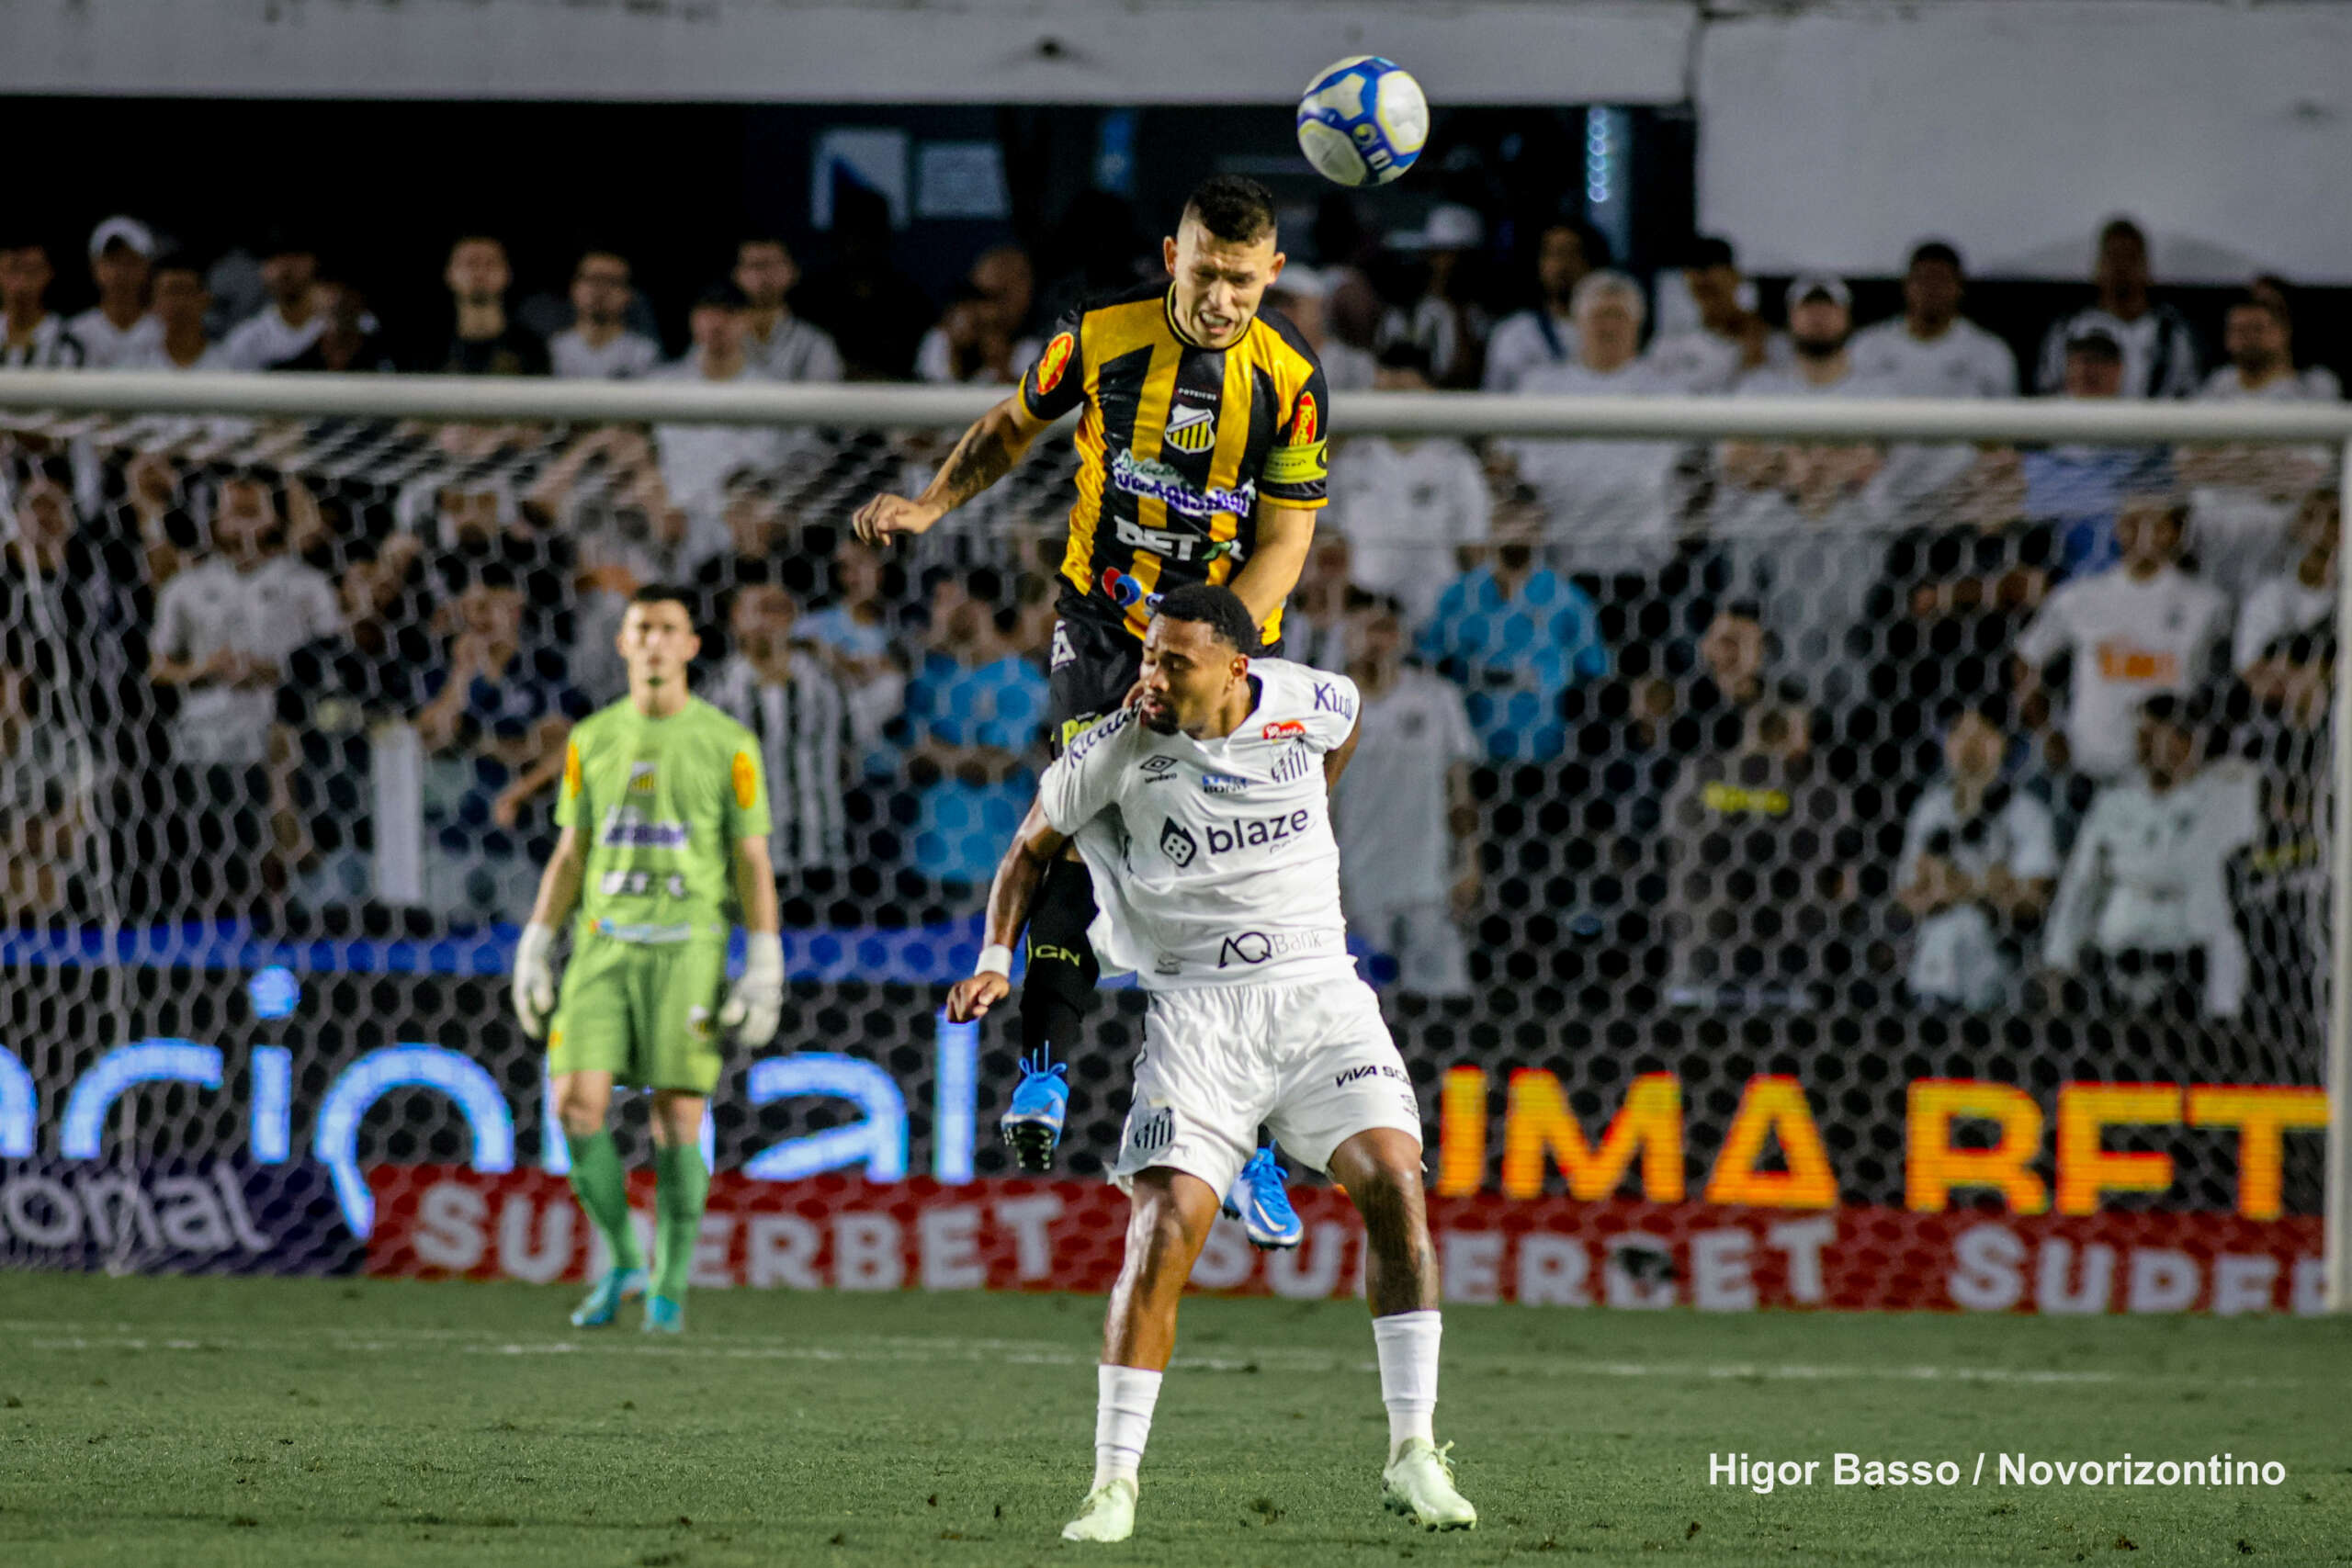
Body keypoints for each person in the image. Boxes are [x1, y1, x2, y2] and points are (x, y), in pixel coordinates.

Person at [944, 584, 1478, 1542]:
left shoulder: (1310, 700)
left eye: (1172, 662)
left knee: (1396, 1182)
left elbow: (1342, 728)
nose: (1150, 676)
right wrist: (992, 960)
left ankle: (1413, 1455)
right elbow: (1029, 853)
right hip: (1197, 1017)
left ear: (1237, 670)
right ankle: (1112, 1487)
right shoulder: (1114, 746)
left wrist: (1305, 811)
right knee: (1162, 1229)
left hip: (1321, 997)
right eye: (1147, 656)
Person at [851, 175, 1329, 1207]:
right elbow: (1011, 425)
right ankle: (1043, 1073)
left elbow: (1288, 540)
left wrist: (1217, 653)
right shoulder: (1101, 339)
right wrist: (933, 506)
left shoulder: (1290, 379)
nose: (1222, 300)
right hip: (1104, 629)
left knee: (1218, 881)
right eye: (1206, 274)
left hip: (1230, 655)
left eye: (1243, 282)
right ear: (1173, 256)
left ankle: (1244, 1141)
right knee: (1083, 818)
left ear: (1272, 273)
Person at [508, 585, 785, 1335]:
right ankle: (623, 1256)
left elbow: (750, 857)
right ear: (624, 643)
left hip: (688, 948)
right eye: (642, 629)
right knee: (574, 1104)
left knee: (677, 1118)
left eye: (669, 629)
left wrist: (764, 959)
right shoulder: (590, 738)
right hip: (601, 945)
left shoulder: (728, 741)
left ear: (692, 645)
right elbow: (572, 851)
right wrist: (537, 942)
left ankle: (669, 1286)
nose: (655, 641)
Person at [2041, 694, 2257, 1019]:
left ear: (2186, 741)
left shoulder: (2225, 796)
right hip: (2117, 951)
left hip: (2189, 957)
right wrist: (2058, 958)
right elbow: (2081, 883)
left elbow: (2213, 876)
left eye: (2151, 736)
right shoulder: (2114, 802)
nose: (2140, 747)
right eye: (2138, 736)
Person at [2013, 494, 2229, 784]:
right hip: (2090, 768)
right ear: (2117, 528)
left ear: (2176, 532)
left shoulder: (2207, 605)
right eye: (2132, 523)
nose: (2142, 534)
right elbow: (2025, 659)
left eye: (2155, 524)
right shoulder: (2080, 597)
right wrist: (2047, 733)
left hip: (2171, 774)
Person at [1334, 592, 1480, 996]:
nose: (1376, 641)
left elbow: (1460, 790)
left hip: (1428, 880)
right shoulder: (1330, 708)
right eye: (1366, 629)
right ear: (1347, 636)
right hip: (1356, 885)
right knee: (1365, 1005)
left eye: (1386, 629)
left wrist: (1469, 859)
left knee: (1443, 999)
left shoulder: (1437, 699)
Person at [1503, 269, 1688, 579]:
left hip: (1644, 568)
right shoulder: (1539, 388)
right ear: (1577, 322)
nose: (1608, 326)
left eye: (1618, 315)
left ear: (1637, 323)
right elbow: (1506, 462)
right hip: (1556, 566)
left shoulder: (1669, 393)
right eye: (1599, 315)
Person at [1894, 696, 2057, 1010]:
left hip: (2001, 954)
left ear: (2004, 744)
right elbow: (1909, 895)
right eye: (1959, 736)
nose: (1970, 748)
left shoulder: (2027, 812)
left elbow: (2031, 901)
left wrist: (1953, 885)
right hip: (1932, 943)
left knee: (1964, 925)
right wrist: (1988, 885)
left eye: (1982, 736)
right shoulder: (1931, 809)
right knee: (1946, 929)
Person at [2177, 289, 2339, 602]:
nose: (2247, 338)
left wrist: (2224, 461)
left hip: (2282, 551)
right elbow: (2188, 467)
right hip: (2208, 550)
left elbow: (2304, 477)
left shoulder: (2306, 395)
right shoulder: (2212, 390)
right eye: (2238, 330)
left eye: (2258, 329)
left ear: (2283, 333)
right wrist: (2264, 460)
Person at [703, 575, 854, 899]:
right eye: (755, 610)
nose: (765, 620)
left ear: (793, 618)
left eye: (776, 610)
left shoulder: (824, 680)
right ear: (735, 620)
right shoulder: (719, 689)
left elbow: (853, 745)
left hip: (820, 847)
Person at [1329, 342, 1491, 626]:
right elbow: (1328, 538)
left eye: (1402, 392)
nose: (1392, 404)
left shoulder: (1456, 464)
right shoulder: (1349, 460)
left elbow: (1474, 550)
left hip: (1439, 621)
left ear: (1429, 393)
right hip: (1364, 622)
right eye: (1383, 392)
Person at [2034, 218, 2200, 400]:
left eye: (2130, 258)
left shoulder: (2171, 334)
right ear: (2097, 266)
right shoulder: (2070, 329)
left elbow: (2185, 397)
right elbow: (2049, 393)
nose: (2121, 267)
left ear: (2146, 267)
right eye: (2113, 257)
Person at [1849, 241, 2017, 398]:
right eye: (1923, 280)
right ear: (1907, 286)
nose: (1932, 290)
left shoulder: (1989, 352)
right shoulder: (1868, 346)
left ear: (1959, 288)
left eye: (1941, 280)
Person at [1647, 236, 1785, 394]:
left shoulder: (1770, 341)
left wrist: (1756, 362)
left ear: (1734, 277)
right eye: (1700, 291)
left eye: (1713, 289)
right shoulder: (1670, 345)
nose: (1701, 278)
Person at [1481, 220, 1601, 393]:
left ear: (1591, 263)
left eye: (1573, 253)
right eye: (1553, 254)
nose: (1562, 265)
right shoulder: (1513, 332)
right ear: (1540, 264)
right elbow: (1493, 399)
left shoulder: (1612, 330)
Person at [433, 236, 549, 376]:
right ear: (449, 274)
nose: (480, 273)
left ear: (507, 274)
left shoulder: (532, 348)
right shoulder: (428, 347)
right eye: (470, 263)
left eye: (490, 264)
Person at [733, 236, 843, 383]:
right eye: (754, 265)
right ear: (737, 274)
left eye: (772, 265)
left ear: (793, 271)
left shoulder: (816, 342)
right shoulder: (714, 336)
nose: (763, 275)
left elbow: (824, 401)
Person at [67, 217, 164, 370]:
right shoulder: (74, 333)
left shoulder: (163, 333)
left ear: (147, 268)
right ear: (95, 267)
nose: (120, 272)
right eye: (112, 262)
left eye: (130, 262)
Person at [548, 249, 662, 380]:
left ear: (628, 294)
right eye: (592, 279)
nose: (600, 290)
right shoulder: (553, 349)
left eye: (611, 282)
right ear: (574, 287)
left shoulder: (645, 353)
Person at [218, 231, 323, 371]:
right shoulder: (244, 341)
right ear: (262, 270)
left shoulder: (345, 329)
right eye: (276, 258)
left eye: (296, 255)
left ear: (314, 263)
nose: (286, 268)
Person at [0, 237, 85, 368]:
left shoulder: (64, 342)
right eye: (13, 270)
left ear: (48, 274)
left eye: (31, 271)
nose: (21, 283)